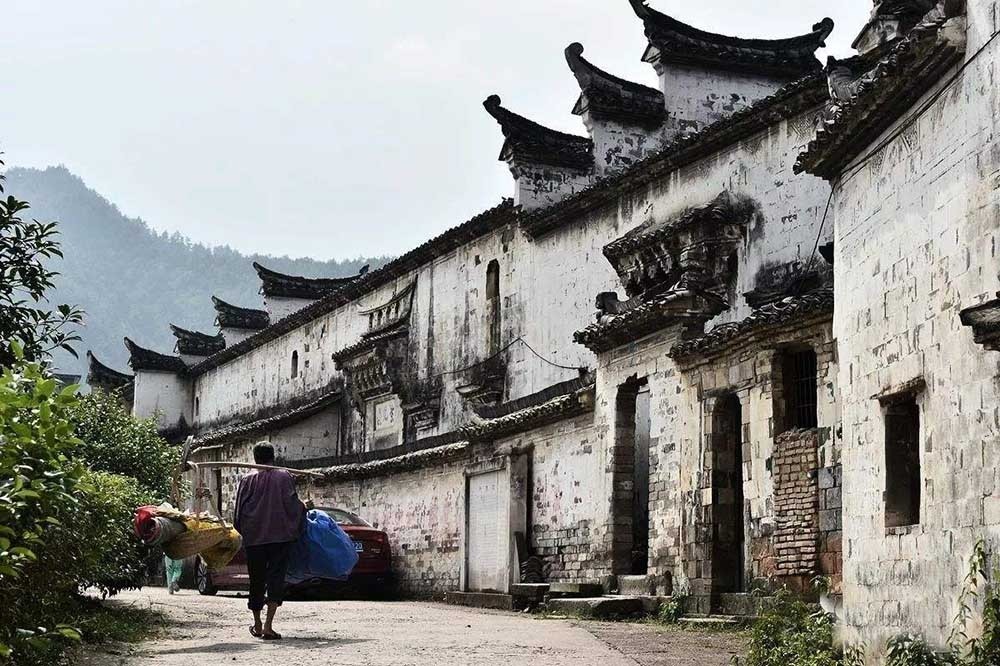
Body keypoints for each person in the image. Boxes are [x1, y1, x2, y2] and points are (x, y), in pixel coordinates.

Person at [233, 442, 305, 640]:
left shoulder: (246, 480)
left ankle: (256, 624)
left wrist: (245, 531)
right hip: (280, 537)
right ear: (273, 456)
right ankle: (268, 626)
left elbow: (238, 513)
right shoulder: (284, 476)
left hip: (254, 539)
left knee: (256, 580)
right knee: (276, 579)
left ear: (255, 458)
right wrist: (304, 508)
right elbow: (292, 505)